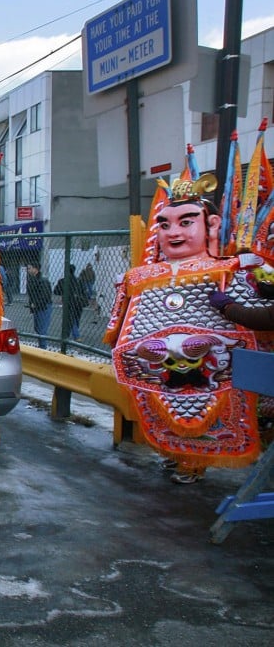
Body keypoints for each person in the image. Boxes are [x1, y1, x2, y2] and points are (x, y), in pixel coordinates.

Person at [105, 174, 263, 484]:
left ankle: (195, 462)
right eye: (164, 225)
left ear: (212, 224)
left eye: (185, 222)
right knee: (167, 406)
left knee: (207, 411)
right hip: (159, 367)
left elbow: (255, 319)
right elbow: (122, 325)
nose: (173, 232)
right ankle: (176, 455)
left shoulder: (228, 269)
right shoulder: (140, 276)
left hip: (211, 369)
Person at [54, 264, 88, 339]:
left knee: (69, 319)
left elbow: (56, 291)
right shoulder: (79, 281)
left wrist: (63, 292)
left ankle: (73, 335)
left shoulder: (63, 281)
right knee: (76, 318)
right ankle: (74, 334)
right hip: (78, 303)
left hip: (68, 303)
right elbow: (84, 292)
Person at [26, 260, 53, 348]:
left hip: (43, 307)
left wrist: (36, 304)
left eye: (29, 268)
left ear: (35, 269)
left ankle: (43, 348)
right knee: (38, 328)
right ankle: (42, 346)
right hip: (38, 307)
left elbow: (45, 296)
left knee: (42, 330)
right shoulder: (33, 279)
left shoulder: (42, 280)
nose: (28, 270)